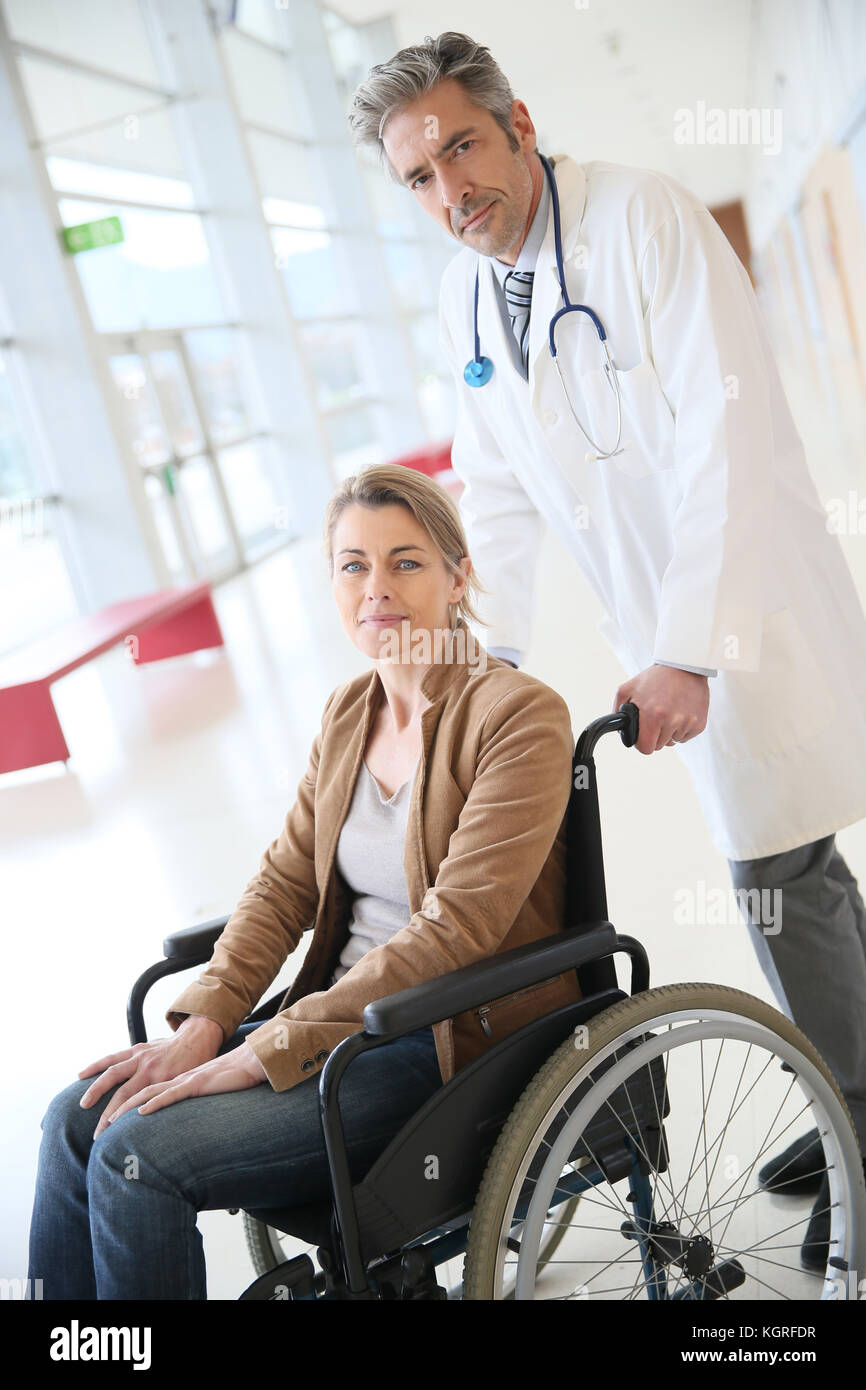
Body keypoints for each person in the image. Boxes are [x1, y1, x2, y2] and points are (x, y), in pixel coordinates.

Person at [348, 31, 866, 1269]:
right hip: (674, 623)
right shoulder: (469, 293)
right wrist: (485, 663)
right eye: (417, 176)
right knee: (789, 872)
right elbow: (502, 492)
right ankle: (848, 1080)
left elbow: (720, 444)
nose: (449, 191)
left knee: (779, 876)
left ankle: (851, 1111)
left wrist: (691, 645)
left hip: (747, 613)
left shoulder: (644, 220)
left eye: (461, 147)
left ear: (516, 123)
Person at [26, 464, 580, 1300]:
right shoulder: (348, 713)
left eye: (407, 561)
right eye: (353, 565)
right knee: (71, 1122)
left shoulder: (519, 716)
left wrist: (267, 1050)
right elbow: (285, 883)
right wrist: (208, 1023)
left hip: (443, 1042)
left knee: (136, 1155)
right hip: (338, 1026)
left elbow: (457, 929)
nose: (377, 588)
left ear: (460, 575)